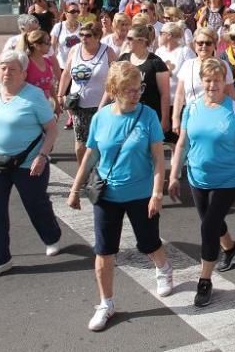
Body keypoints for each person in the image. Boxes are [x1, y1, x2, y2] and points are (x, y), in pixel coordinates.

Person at [67, 62, 171, 331]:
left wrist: (157, 193)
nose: (136, 94)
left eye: (139, 88)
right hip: (107, 195)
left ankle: (163, 267)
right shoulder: (101, 117)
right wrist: (75, 189)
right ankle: (106, 303)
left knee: (148, 243)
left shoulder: (147, 116)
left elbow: (159, 159)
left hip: (141, 194)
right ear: (114, 90)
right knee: (104, 251)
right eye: (129, 90)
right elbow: (91, 154)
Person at [168, 58, 235, 307]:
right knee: (210, 222)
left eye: (217, 80)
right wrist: (173, 175)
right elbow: (182, 143)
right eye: (208, 80)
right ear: (201, 81)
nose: (212, 85)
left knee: (208, 227)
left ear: (225, 82)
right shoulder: (191, 108)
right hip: (197, 177)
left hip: (227, 178)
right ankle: (231, 247)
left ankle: (204, 280)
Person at [0, 50, 62, 280]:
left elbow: (52, 129)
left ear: (23, 73)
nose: (6, 73)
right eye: (3, 68)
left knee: (36, 204)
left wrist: (42, 157)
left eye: (12, 69)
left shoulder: (34, 96)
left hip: (29, 163)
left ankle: (51, 237)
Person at [57, 22, 115, 164]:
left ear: (97, 37)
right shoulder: (75, 50)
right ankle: (82, 173)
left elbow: (115, 77)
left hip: (103, 105)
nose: (83, 38)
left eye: (88, 35)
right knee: (81, 143)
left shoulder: (108, 52)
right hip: (79, 105)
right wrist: (60, 94)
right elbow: (66, 74)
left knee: (102, 142)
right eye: (81, 35)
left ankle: (100, 174)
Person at [171, 28, 235, 135]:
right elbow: (179, 94)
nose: (204, 46)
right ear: (194, 44)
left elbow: (230, 93)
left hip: (218, 119)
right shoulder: (187, 65)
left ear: (214, 45)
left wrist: (232, 118)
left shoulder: (223, 65)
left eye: (208, 43)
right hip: (192, 118)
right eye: (200, 43)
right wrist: (175, 118)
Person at [50, 2, 83, 70]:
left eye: (78, 11)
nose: (76, 14)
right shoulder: (58, 27)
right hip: (61, 66)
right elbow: (52, 45)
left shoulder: (83, 27)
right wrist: (51, 64)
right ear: (66, 13)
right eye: (73, 11)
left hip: (78, 66)